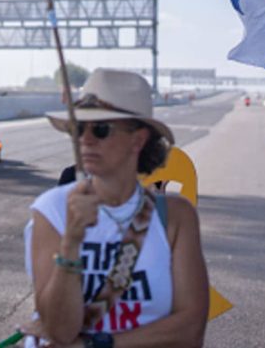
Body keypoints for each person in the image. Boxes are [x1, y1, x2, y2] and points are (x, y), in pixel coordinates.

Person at [29, 69, 208, 347]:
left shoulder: (175, 217)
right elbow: (60, 331)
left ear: (138, 139)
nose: (85, 139)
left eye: (101, 129)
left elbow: (190, 329)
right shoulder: (52, 210)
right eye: (79, 128)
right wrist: (72, 241)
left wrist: (96, 344)